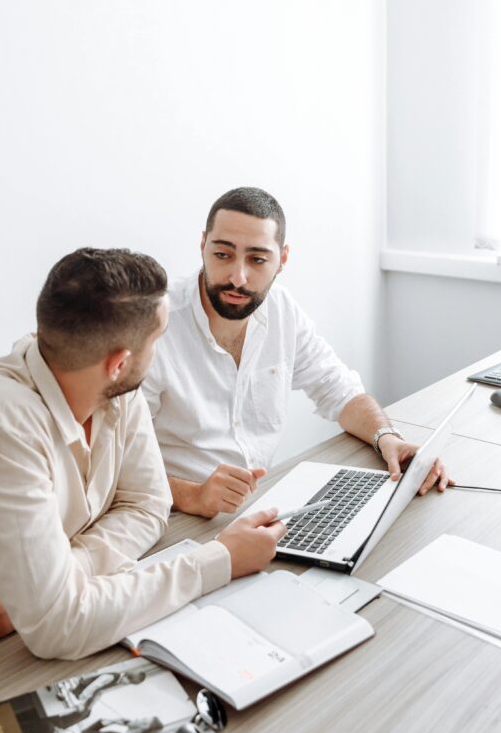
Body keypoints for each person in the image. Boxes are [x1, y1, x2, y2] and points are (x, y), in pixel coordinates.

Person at [0, 247, 285, 665]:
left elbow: (148, 504)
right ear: (119, 363)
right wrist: (221, 559)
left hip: (23, 646)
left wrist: (63, 577)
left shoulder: (111, 387)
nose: (159, 353)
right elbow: (60, 625)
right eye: (157, 341)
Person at [141, 187, 451, 517]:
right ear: (203, 246)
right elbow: (114, 461)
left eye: (257, 259)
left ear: (282, 260)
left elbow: (339, 389)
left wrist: (388, 438)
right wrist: (192, 496)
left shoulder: (281, 310)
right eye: (223, 255)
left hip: (254, 508)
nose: (238, 277)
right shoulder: (154, 325)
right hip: (171, 516)